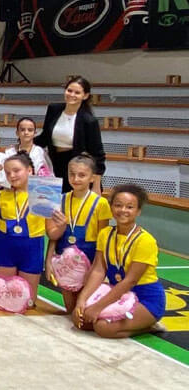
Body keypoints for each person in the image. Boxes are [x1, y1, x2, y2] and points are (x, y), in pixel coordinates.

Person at [73, 184, 166, 338]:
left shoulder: (145, 241)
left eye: (130, 207)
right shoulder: (105, 234)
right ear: (111, 207)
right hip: (120, 295)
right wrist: (81, 301)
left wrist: (97, 307)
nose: (123, 210)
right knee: (82, 321)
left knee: (103, 328)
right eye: (118, 205)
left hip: (146, 299)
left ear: (138, 211)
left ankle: (150, 326)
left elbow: (130, 281)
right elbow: (98, 271)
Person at [45, 154, 112, 313]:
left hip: (90, 259)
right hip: (65, 262)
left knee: (83, 309)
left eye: (82, 175)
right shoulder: (59, 200)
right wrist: (48, 262)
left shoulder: (101, 204)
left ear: (92, 178)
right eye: (72, 174)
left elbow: (102, 241)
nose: (76, 179)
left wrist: (96, 269)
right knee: (70, 309)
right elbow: (53, 237)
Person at [0, 153, 46, 308]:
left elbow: (53, 232)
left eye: (16, 171)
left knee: (28, 303)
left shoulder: (43, 196)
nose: (12, 176)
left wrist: (61, 223)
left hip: (32, 250)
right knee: (6, 301)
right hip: (5, 249)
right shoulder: (0, 196)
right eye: (8, 172)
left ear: (29, 170)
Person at [33, 76, 105, 193]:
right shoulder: (53, 109)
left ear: (85, 96)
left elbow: (97, 154)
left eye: (77, 92)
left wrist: (96, 185)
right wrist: (23, 144)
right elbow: (44, 137)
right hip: (54, 162)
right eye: (69, 90)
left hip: (76, 165)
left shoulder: (89, 120)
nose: (72, 94)